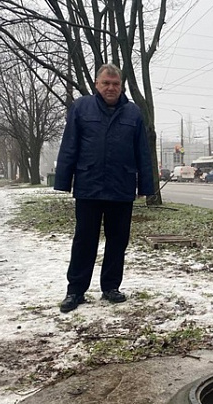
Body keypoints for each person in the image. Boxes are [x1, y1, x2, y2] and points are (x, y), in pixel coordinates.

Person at [54, 64, 155, 313]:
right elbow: (69, 146)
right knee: (84, 241)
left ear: (121, 86)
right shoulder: (80, 108)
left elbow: (142, 152)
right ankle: (75, 290)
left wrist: (146, 185)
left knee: (118, 241)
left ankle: (111, 286)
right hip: (89, 186)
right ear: (97, 84)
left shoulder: (133, 113)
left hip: (121, 187)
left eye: (115, 84)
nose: (111, 88)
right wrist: (63, 182)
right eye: (106, 83)